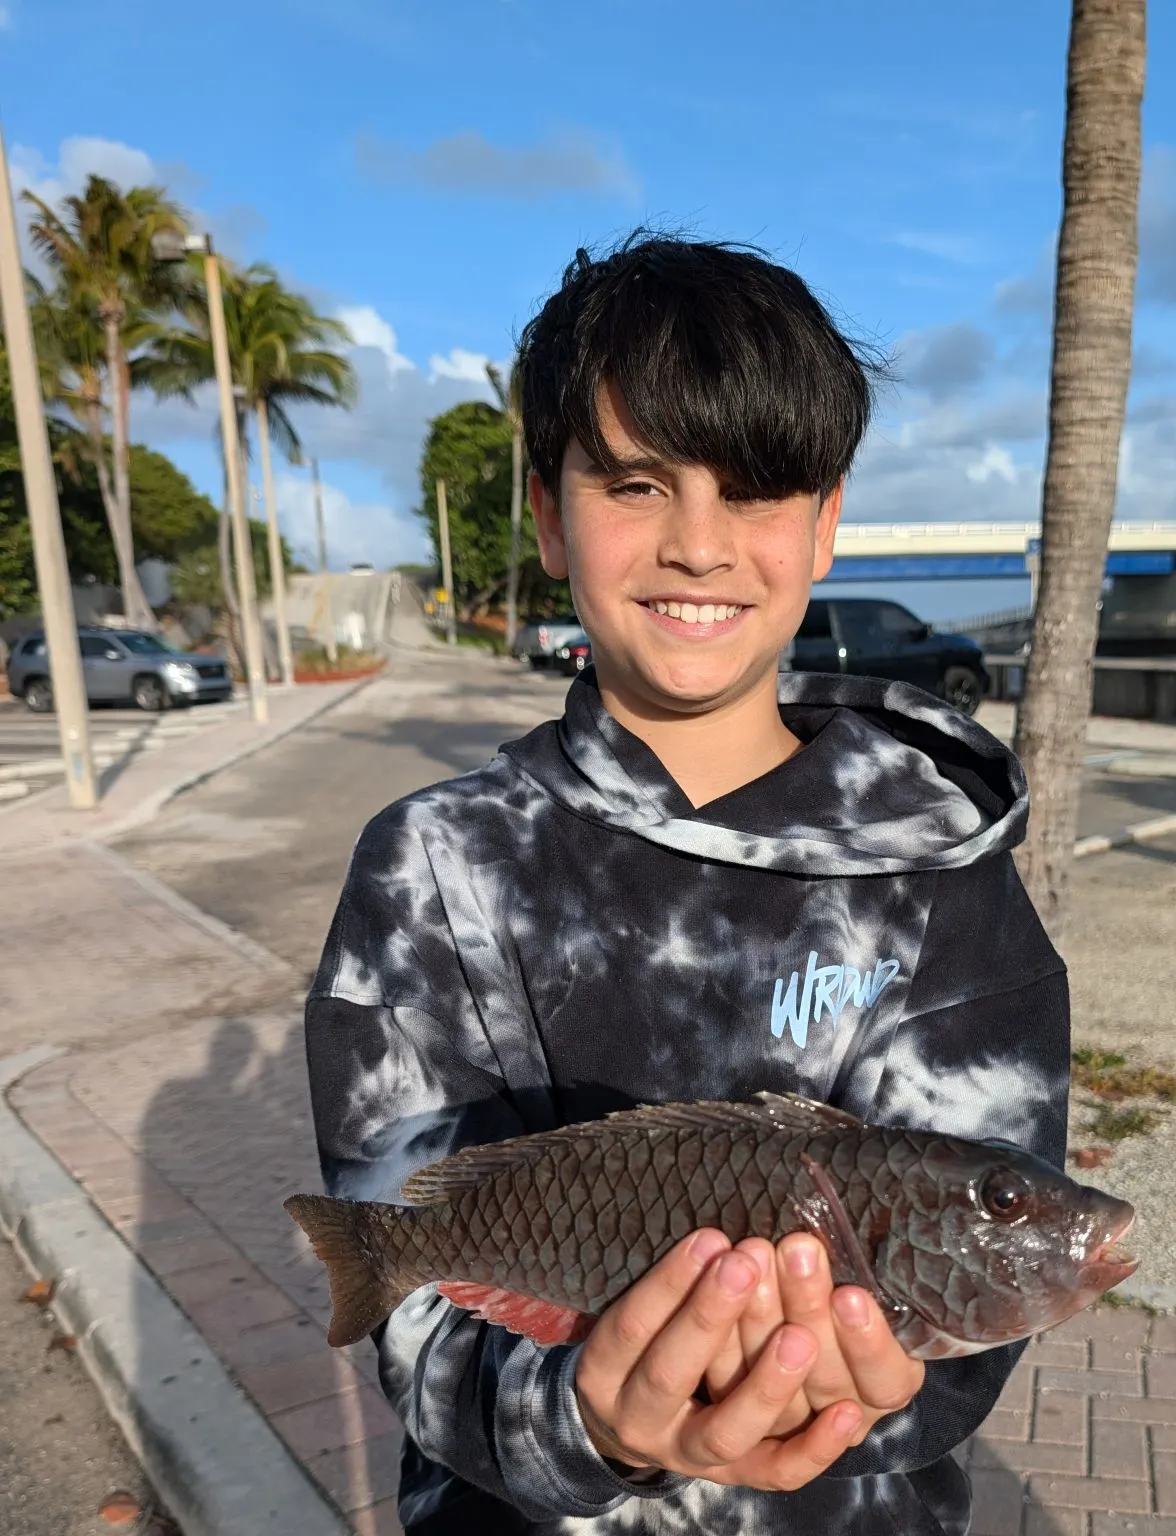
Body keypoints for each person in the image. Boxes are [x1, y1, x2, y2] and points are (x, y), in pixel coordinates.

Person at [301, 235, 1070, 1535]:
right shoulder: (434, 864)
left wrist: (852, 1398)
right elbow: (417, 1310)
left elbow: (966, 1329)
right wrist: (587, 1422)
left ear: (826, 524)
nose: (699, 545)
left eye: (757, 490)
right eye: (638, 484)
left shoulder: (947, 874)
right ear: (547, 515)